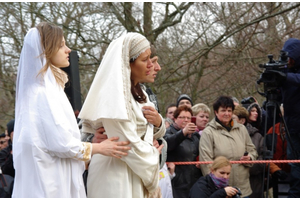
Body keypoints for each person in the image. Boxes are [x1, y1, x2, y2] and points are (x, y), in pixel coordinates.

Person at [12, 22, 131, 198]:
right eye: (61, 45)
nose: (68, 50)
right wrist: (99, 147)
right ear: (47, 50)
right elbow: (61, 143)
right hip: (49, 185)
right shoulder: (42, 94)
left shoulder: (47, 90)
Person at [78, 32, 165, 198]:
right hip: (115, 176)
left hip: (136, 171)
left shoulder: (142, 95)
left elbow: (151, 134)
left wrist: (159, 123)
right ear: (128, 64)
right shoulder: (112, 97)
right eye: (145, 59)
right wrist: (154, 156)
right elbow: (126, 145)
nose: (152, 66)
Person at [199, 95, 258, 197]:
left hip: (243, 188)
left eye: (229, 110)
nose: (227, 114)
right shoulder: (208, 132)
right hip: (221, 190)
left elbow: (252, 150)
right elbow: (206, 162)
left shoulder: (241, 129)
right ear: (216, 112)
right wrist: (216, 187)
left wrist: (250, 157)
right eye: (223, 110)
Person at [278, 38, 300, 197]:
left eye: (291, 58)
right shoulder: (285, 68)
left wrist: (285, 77)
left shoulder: (291, 74)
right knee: (294, 165)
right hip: (292, 127)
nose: (289, 61)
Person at [163, 105, 201, 198]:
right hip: (176, 182)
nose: (186, 120)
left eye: (188, 118)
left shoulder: (195, 136)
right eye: (182, 117)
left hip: (193, 180)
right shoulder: (167, 132)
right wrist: (183, 132)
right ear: (175, 119)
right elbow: (168, 145)